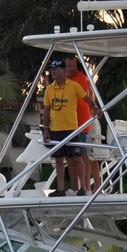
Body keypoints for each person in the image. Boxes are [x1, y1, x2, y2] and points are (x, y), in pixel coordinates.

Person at [42, 58, 99, 197]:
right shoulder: (49, 89)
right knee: (59, 160)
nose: (53, 71)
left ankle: (83, 188)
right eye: (52, 69)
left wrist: (95, 108)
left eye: (56, 68)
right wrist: (45, 129)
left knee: (78, 157)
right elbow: (46, 110)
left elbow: (87, 98)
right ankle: (60, 189)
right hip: (56, 129)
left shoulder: (73, 85)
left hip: (72, 129)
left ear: (63, 70)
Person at [64, 55, 102, 193]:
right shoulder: (63, 81)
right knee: (79, 156)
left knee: (89, 156)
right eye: (69, 66)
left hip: (87, 120)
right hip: (74, 122)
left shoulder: (81, 79)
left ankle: (93, 186)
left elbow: (89, 96)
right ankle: (82, 186)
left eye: (73, 65)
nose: (71, 68)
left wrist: (92, 111)